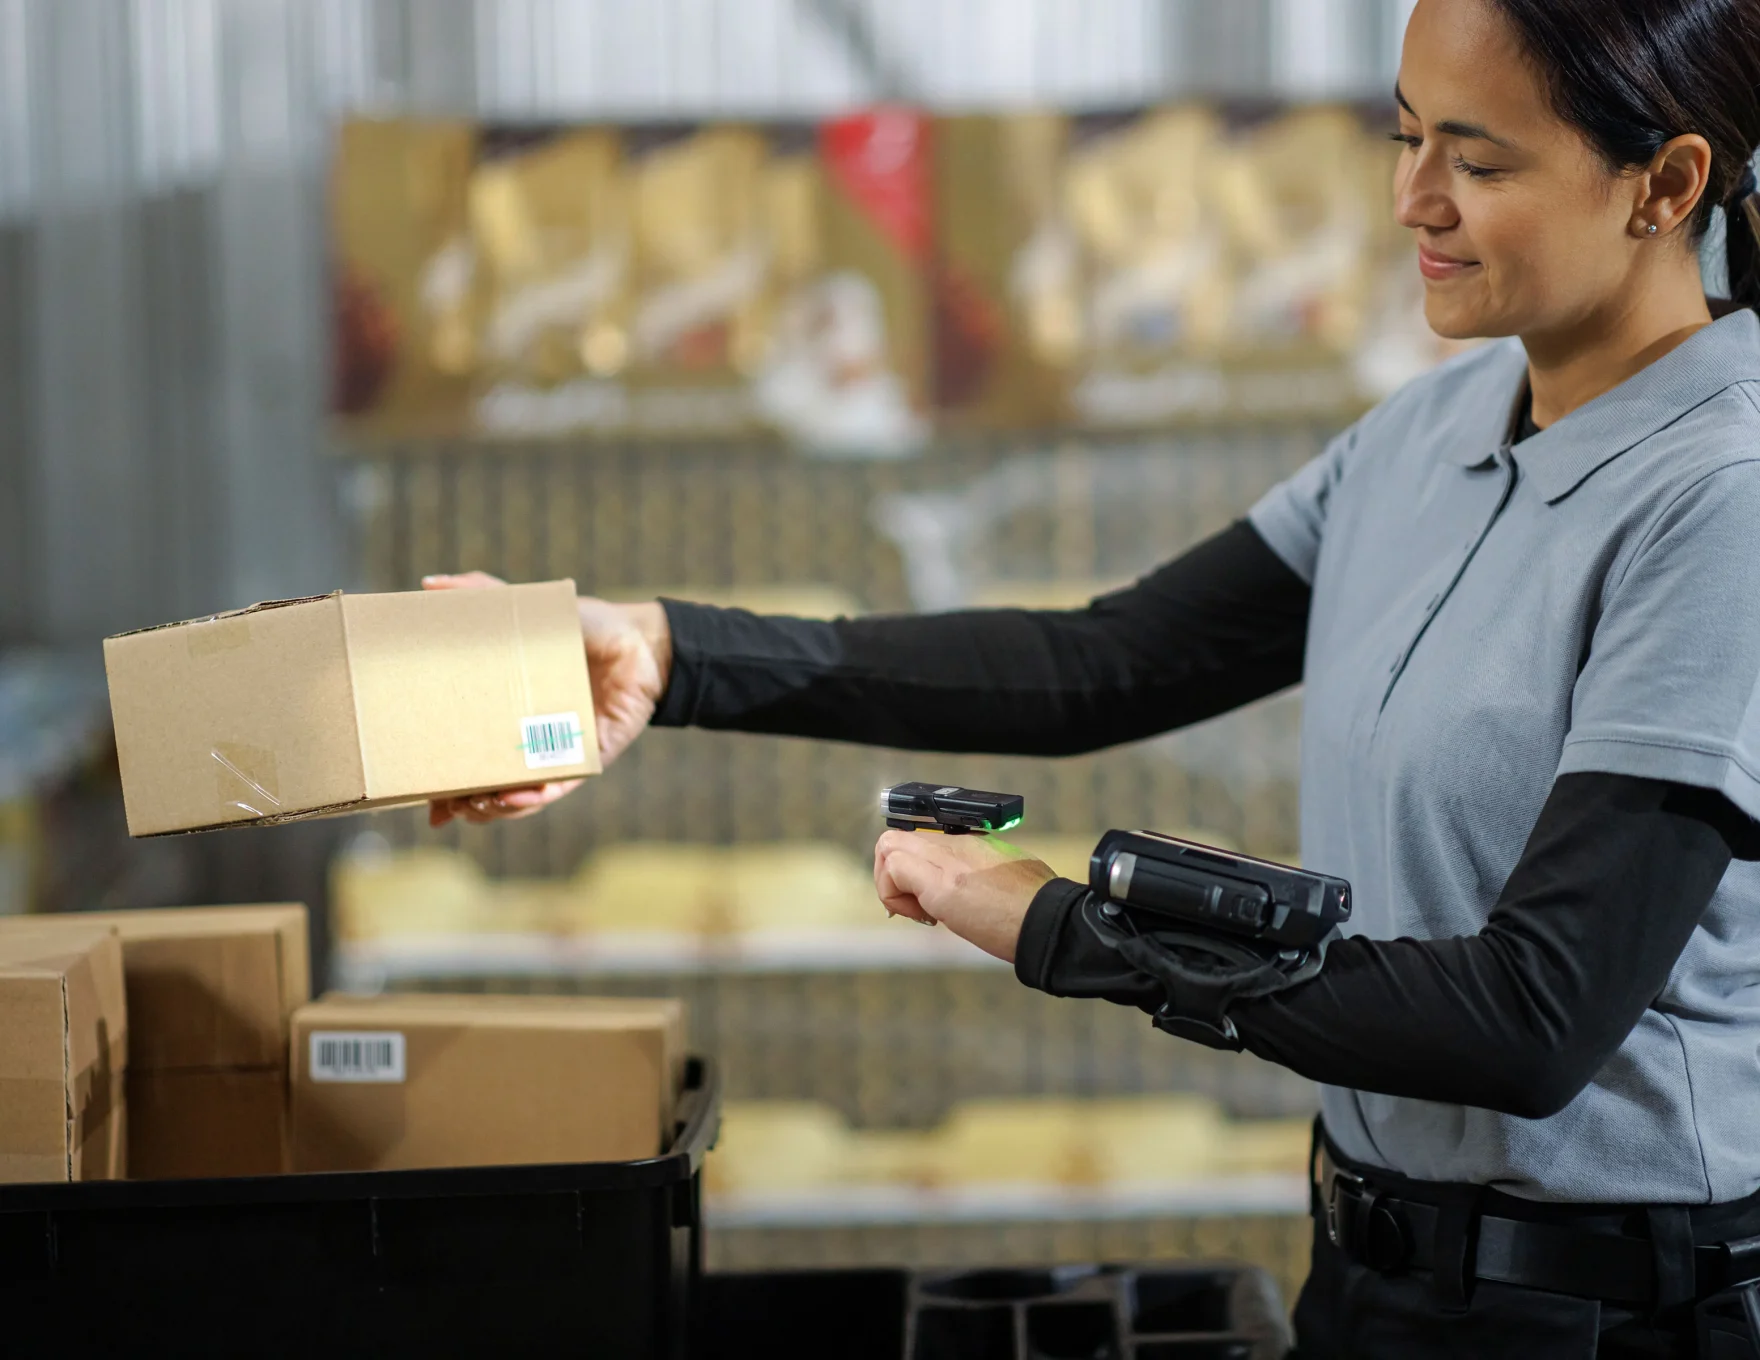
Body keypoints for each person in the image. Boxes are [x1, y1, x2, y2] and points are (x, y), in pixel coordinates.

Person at [425, 1, 1760, 1353]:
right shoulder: (1428, 433)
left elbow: (1531, 1018)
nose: (1413, 200)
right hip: (1372, 1277)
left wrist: (1064, 929)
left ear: (1666, 184)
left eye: (1477, 161)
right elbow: (1105, 663)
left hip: (1608, 1316)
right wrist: (676, 651)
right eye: (1405, 138)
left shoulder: (1720, 499)